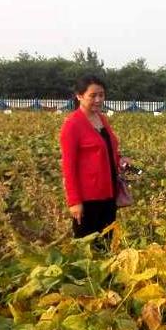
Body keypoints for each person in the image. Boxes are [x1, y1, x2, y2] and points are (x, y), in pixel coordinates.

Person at [60, 75, 130, 240]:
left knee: (105, 244)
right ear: (79, 96)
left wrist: (120, 159)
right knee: (87, 247)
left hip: (109, 193)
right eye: (93, 95)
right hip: (87, 198)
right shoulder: (72, 125)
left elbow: (108, 149)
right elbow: (68, 167)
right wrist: (74, 201)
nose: (98, 99)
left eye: (101, 95)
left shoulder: (102, 119)